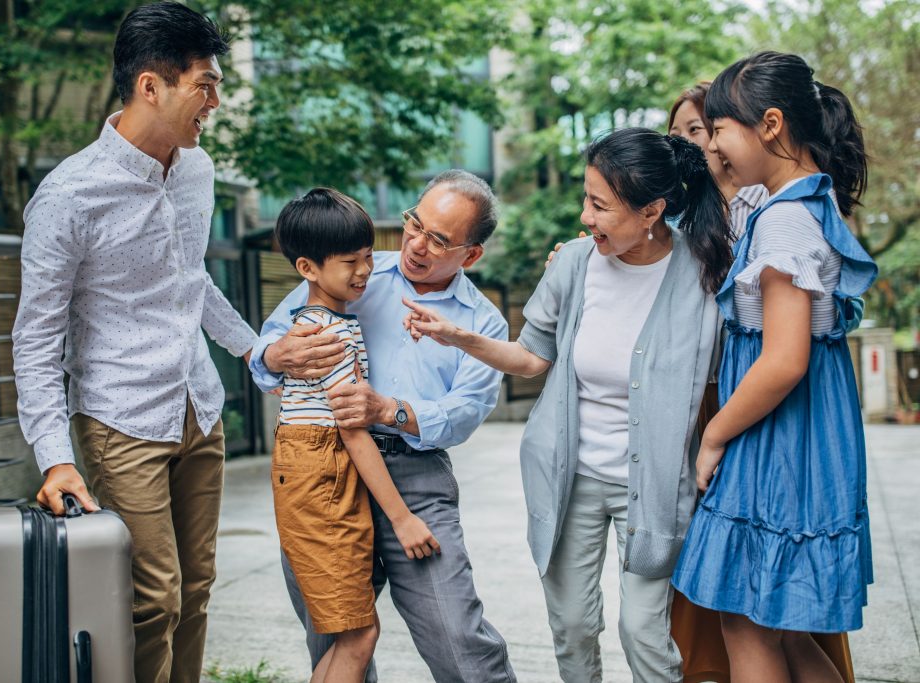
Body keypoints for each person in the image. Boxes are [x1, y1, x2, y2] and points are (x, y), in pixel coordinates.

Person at [405, 128, 732, 682]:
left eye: (600, 205)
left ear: (651, 209)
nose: (585, 216)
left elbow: (729, 373)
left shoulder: (704, 274)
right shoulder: (575, 264)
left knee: (645, 633)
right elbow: (533, 358)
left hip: (653, 484)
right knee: (573, 628)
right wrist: (458, 336)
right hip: (570, 478)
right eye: (586, 197)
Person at [10, 4, 255, 682]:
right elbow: (35, 340)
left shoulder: (198, 171)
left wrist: (254, 349)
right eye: (204, 83)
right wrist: (57, 459)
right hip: (121, 419)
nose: (215, 99)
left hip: (198, 407)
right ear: (152, 86)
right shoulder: (69, 197)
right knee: (154, 599)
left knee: (197, 592)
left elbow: (191, 278)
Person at [250, 170, 517, 682]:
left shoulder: (483, 324)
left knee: (458, 638)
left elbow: (465, 412)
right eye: (415, 224)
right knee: (334, 635)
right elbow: (273, 343)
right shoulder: (357, 271)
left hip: (414, 476)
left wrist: (387, 410)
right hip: (325, 474)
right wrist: (274, 353)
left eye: (438, 240)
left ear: (471, 255)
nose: (416, 244)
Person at [671, 51, 877, 683]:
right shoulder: (796, 204)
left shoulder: (786, 220)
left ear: (770, 124)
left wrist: (713, 435)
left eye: (720, 129)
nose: (715, 147)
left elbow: (784, 359)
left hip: (779, 441)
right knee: (777, 627)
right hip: (800, 433)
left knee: (747, 620)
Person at [269, 188, 440, 682]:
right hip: (320, 475)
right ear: (307, 268)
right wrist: (402, 518)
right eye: (350, 261)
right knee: (359, 634)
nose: (365, 270)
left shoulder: (309, 324)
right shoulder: (331, 333)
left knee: (353, 632)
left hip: (310, 469)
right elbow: (355, 434)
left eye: (368, 256)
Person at [668, 82, 769, 239]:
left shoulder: (765, 199)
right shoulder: (683, 216)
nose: (683, 142)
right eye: (675, 136)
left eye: (694, 129)